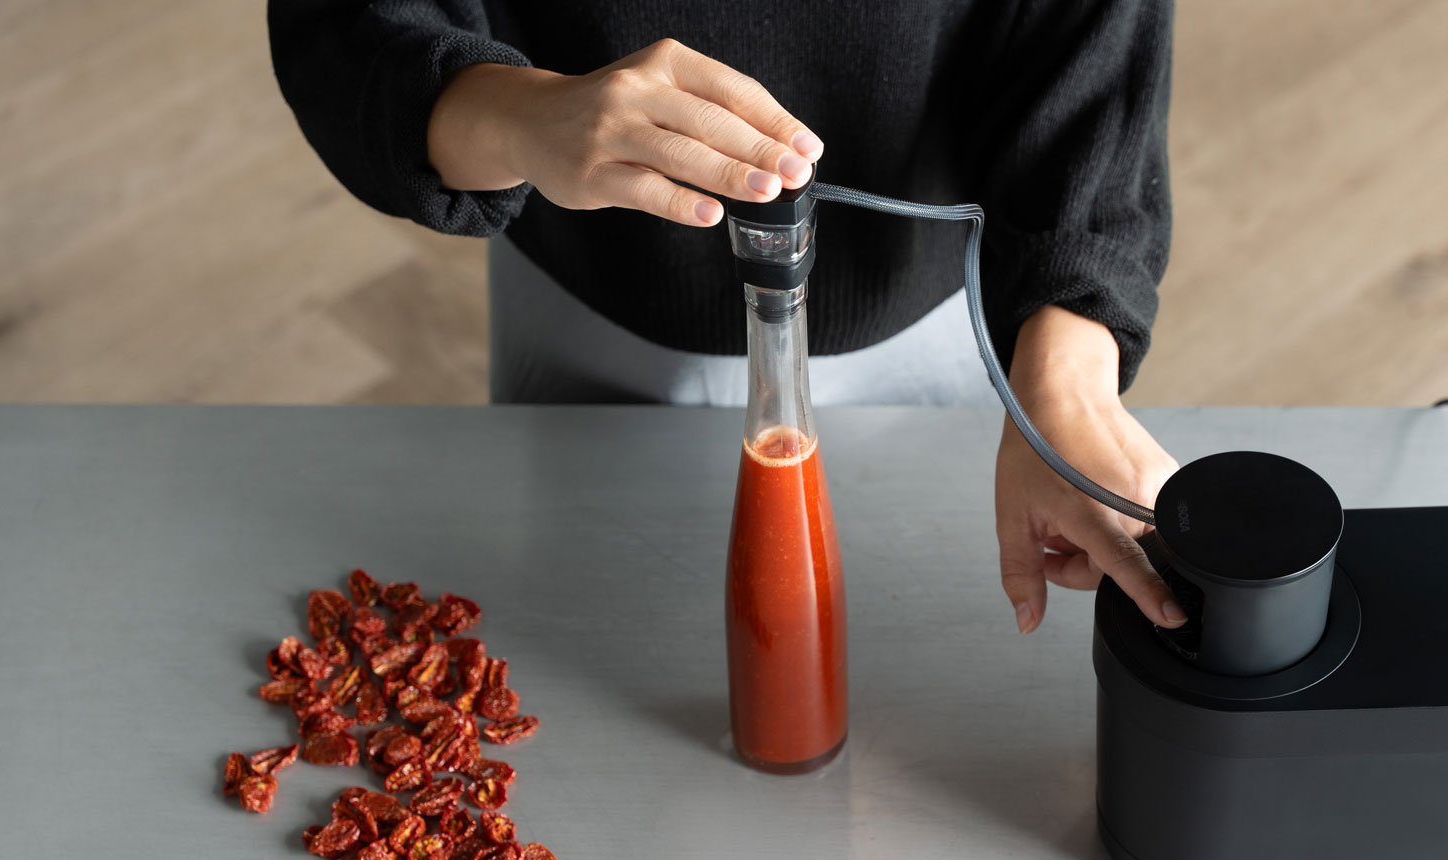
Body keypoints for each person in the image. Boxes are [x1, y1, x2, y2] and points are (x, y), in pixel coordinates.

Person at [268, 0, 1188, 634]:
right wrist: (512, 112)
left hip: (939, 326)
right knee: (573, 635)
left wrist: (1065, 382)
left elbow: (1093, 37)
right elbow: (341, 25)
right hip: (586, 309)